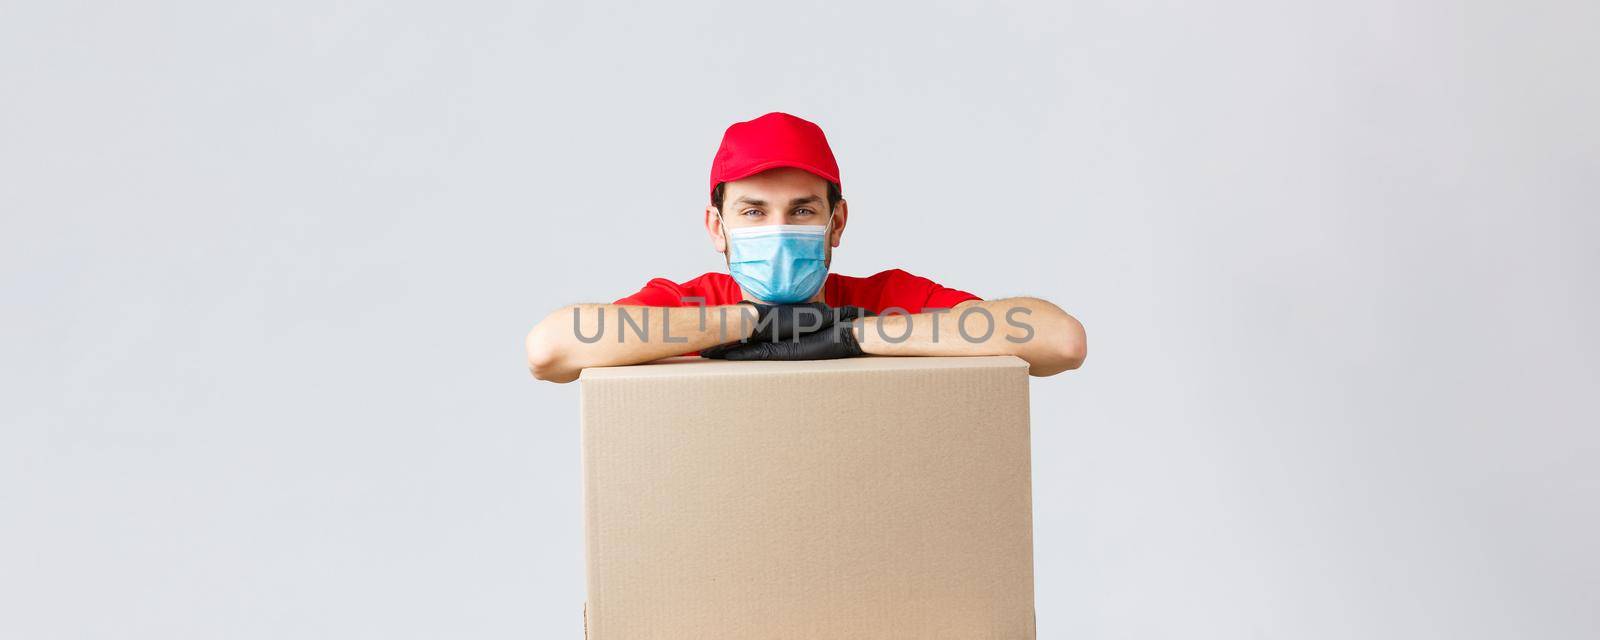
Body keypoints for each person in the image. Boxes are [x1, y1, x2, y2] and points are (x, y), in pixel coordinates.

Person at [526, 112, 1086, 383]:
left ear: (836, 223)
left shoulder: (888, 296)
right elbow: (550, 348)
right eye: (752, 212)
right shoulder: (684, 303)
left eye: (802, 210)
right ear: (716, 228)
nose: (778, 227)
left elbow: (1059, 340)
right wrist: (754, 323)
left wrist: (850, 334)